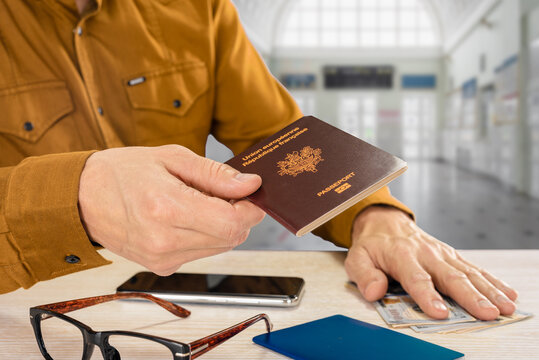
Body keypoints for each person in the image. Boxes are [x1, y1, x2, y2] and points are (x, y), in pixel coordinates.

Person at [0, 0, 517, 321]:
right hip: (26, 304)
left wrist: (373, 214)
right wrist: (68, 200)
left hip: (188, 305)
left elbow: (282, 141)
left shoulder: (198, 8)